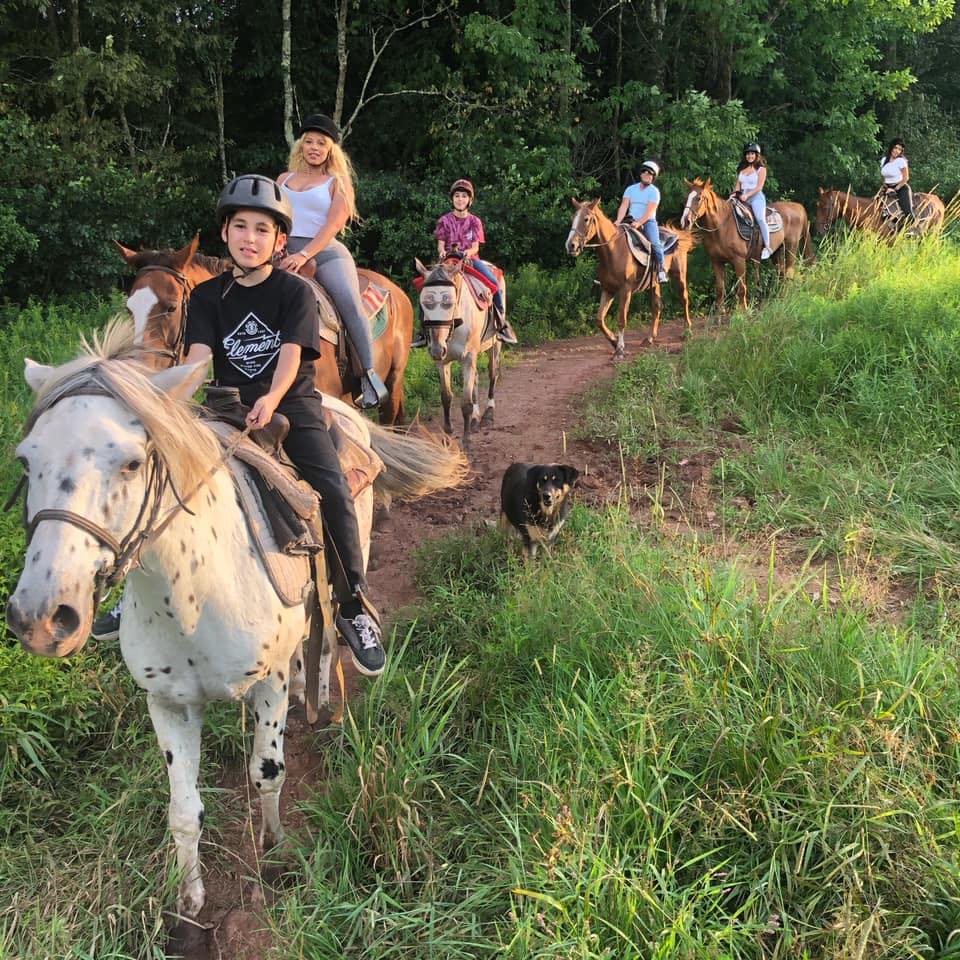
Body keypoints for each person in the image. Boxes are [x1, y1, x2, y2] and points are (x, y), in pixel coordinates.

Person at [182, 174, 385, 677]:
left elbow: (292, 353)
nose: (250, 238)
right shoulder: (207, 298)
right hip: (226, 409)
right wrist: (163, 401)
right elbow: (198, 360)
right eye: (240, 227)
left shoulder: (294, 291)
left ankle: (353, 603)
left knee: (333, 491)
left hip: (293, 406)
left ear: (279, 240)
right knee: (166, 478)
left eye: (262, 230)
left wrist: (272, 399)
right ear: (225, 234)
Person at [276, 113, 385, 408]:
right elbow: (273, 219)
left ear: (330, 149)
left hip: (323, 252)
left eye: (320, 143)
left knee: (348, 301)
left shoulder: (336, 183)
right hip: (282, 250)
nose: (313, 147)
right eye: (308, 142)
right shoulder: (283, 179)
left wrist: (304, 254)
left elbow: (332, 226)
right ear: (301, 146)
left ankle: (368, 375)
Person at [412, 178, 518, 347]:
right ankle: (422, 331)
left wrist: (465, 253)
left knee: (494, 283)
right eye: (457, 196)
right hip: (448, 263)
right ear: (452, 199)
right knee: (425, 286)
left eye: (463, 196)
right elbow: (440, 245)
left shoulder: (475, 221)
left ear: (469, 200)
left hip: (470, 261)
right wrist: (442, 252)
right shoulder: (444, 221)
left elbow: (475, 247)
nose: (460, 199)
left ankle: (502, 325)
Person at [613, 160, 669, 282]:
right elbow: (624, 206)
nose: (648, 175)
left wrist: (639, 223)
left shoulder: (654, 191)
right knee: (612, 239)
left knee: (655, 243)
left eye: (651, 174)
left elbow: (650, 211)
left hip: (648, 221)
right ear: (641, 173)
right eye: (645, 172)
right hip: (630, 220)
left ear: (653, 177)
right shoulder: (630, 189)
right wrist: (618, 220)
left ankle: (661, 269)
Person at [733, 143, 772, 260]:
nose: (750, 156)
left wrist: (747, 195)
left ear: (756, 155)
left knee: (760, 218)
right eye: (748, 154)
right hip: (742, 197)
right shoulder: (741, 170)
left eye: (752, 154)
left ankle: (768, 247)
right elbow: (737, 186)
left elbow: (759, 187)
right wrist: (734, 195)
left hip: (756, 197)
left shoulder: (761, 169)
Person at [880, 138, 913, 220]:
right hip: (887, 188)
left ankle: (913, 229)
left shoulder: (901, 161)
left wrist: (894, 189)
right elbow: (885, 177)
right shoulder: (884, 160)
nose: (897, 151)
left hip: (901, 188)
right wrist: (885, 188)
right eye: (895, 148)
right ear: (891, 147)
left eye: (899, 149)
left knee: (907, 212)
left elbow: (906, 178)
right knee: (876, 208)